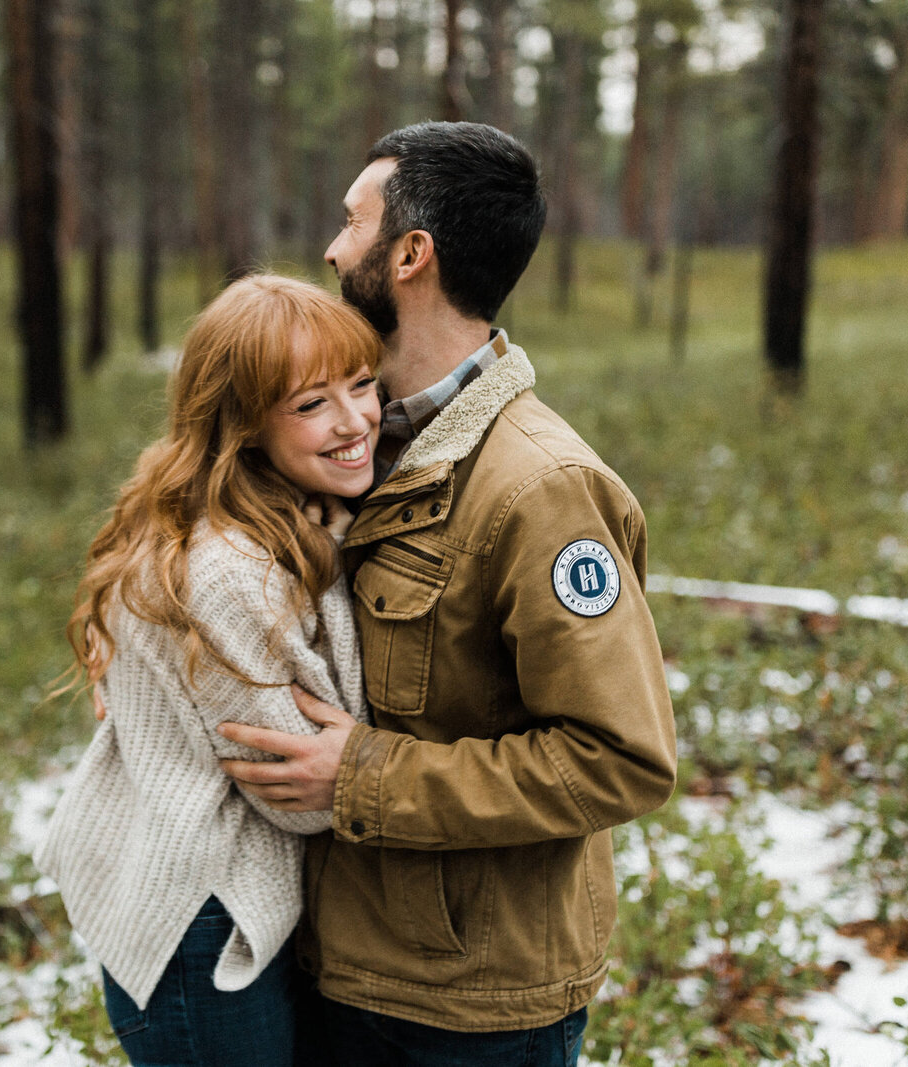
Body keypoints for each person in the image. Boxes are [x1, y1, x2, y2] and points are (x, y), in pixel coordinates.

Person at [216, 122, 679, 1065]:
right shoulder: (352, 438)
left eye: (353, 221)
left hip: (467, 1012)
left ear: (411, 254)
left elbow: (619, 758)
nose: (334, 246)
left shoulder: (540, 489)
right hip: (338, 956)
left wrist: (365, 776)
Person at [32, 274, 382, 1066]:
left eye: (362, 384)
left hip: (208, 909)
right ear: (244, 423)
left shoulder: (247, 517)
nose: (355, 418)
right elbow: (300, 796)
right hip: (203, 931)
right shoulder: (233, 568)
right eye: (311, 403)